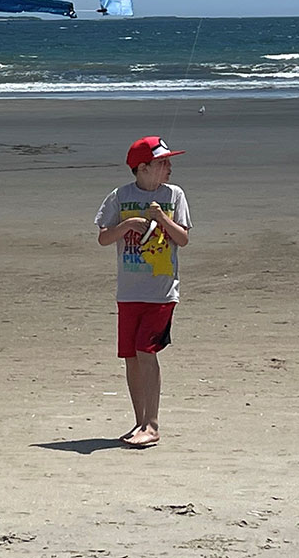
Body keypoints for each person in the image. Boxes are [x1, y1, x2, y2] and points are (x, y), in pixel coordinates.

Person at [95, 135, 191, 447]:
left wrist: (162, 218)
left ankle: (152, 424)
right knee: (131, 357)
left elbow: (183, 239)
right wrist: (128, 225)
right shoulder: (120, 196)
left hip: (161, 291)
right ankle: (139, 422)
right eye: (163, 162)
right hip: (129, 291)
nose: (169, 167)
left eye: (168, 162)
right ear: (143, 168)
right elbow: (104, 238)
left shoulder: (174, 195)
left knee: (145, 351)